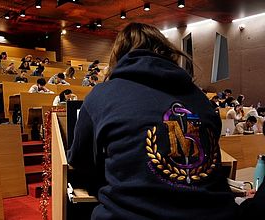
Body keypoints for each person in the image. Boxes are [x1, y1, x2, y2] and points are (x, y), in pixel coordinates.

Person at [67, 22, 241, 219]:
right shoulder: (200, 97)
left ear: (119, 54)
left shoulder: (102, 94)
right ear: (166, 51)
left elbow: (80, 161)